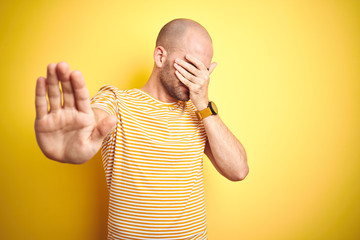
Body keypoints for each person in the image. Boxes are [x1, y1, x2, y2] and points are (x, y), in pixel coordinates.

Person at [34, 18, 249, 240]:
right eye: (191, 67)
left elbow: (238, 170)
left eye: (204, 71)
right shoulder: (117, 101)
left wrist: (204, 105)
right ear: (160, 57)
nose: (199, 79)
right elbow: (96, 116)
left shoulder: (202, 115)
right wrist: (79, 131)